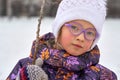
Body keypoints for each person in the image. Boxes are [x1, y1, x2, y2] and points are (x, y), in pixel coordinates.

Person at [7, 0, 117, 80]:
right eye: (74, 27)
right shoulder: (27, 66)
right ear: (59, 29)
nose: (81, 37)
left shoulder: (104, 76)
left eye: (89, 33)